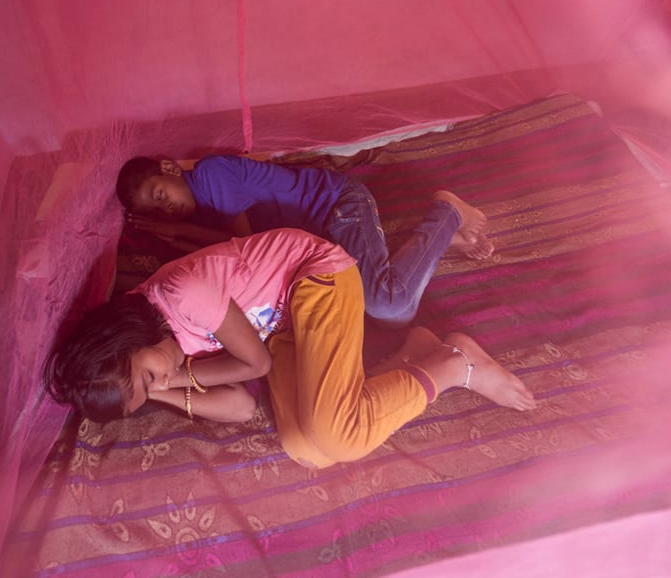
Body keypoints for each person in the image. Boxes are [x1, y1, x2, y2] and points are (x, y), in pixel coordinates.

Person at [45, 228, 535, 469]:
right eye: (146, 393)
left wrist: (174, 378)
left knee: (340, 437)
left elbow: (255, 364)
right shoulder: (159, 350)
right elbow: (239, 406)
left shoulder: (182, 297)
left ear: (125, 340)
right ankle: (418, 352)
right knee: (305, 448)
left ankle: (452, 364)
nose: (158, 380)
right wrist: (159, 390)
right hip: (282, 329)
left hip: (316, 279)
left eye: (146, 376)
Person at [116, 154, 493, 326]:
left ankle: (447, 213)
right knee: (397, 309)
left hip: (337, 206)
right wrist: (180, 235)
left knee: (388, 303)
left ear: (169, 168)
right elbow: (222, 250)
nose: (168, 210)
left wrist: (181, 233)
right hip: (321, 237)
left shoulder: (210, 177)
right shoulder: (199, 205)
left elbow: (247, 247)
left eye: (161, 195)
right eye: (158, 212)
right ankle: (437, 241)